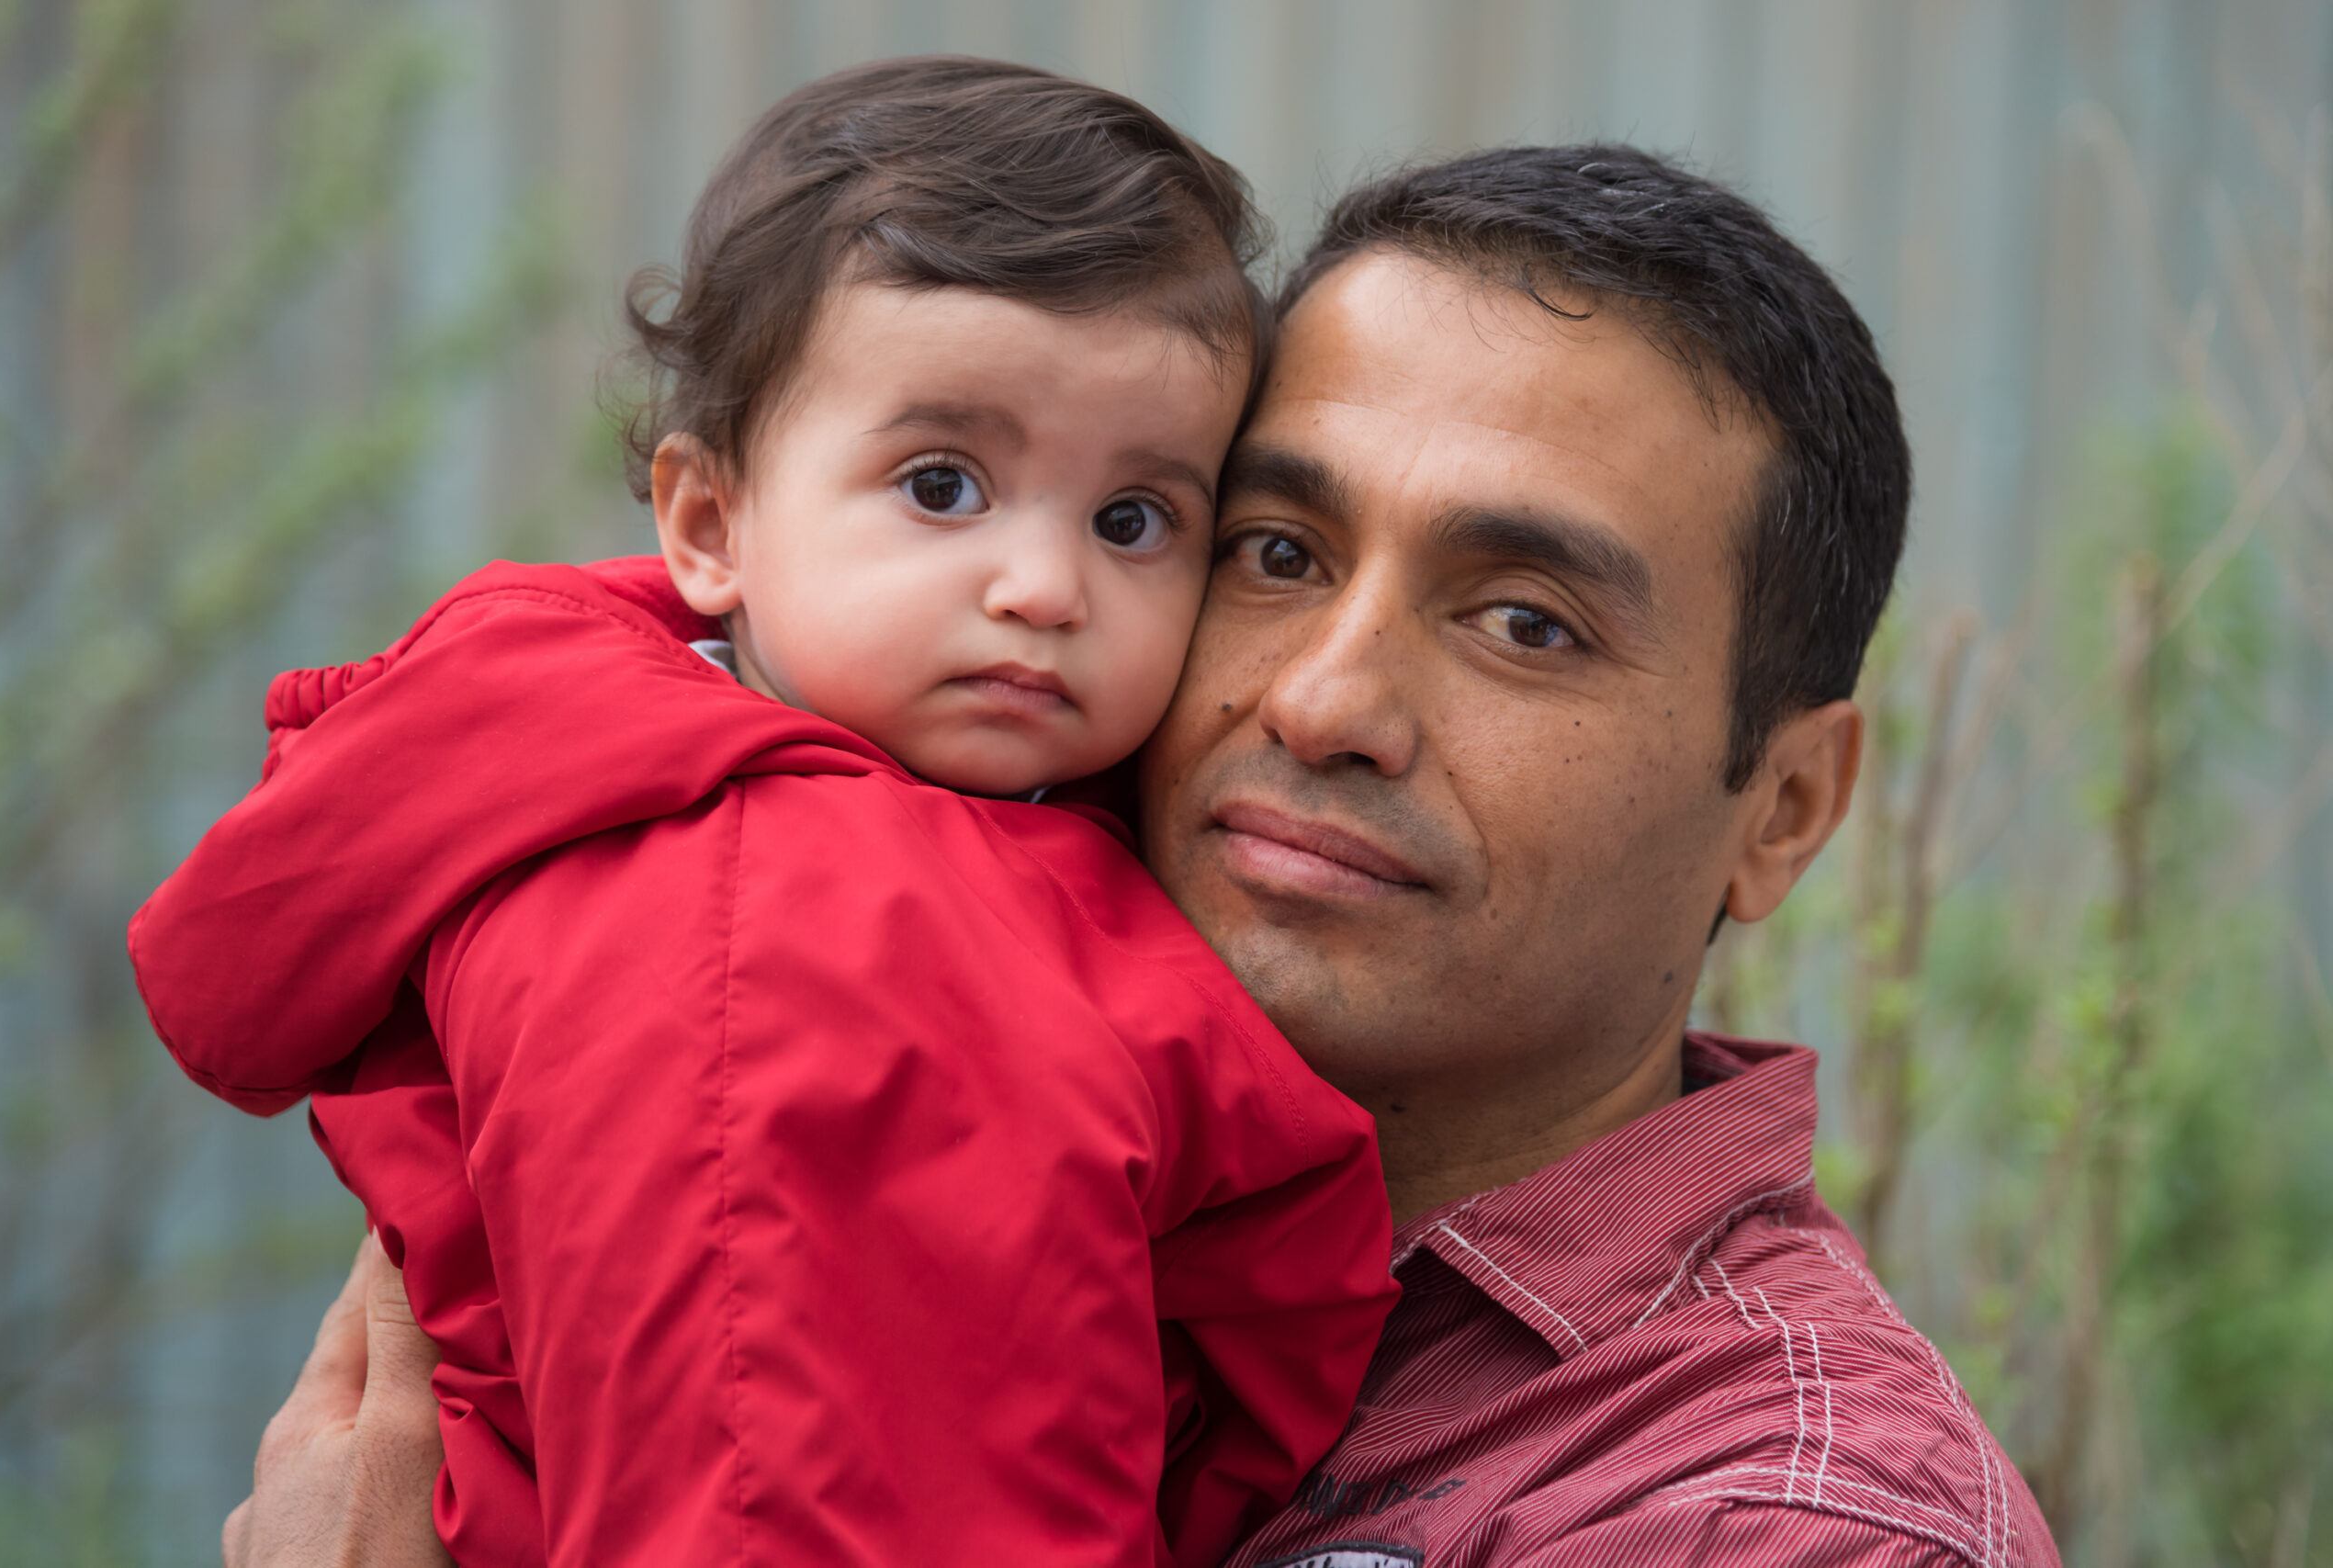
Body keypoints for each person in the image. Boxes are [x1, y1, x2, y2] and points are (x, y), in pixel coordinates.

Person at [218, 141, 2065, 1566]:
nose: (1327, 699)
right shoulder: (879, 1067)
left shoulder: (1771, 1510)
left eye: (1521, 621)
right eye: (1271, 551)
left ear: (1785, 807)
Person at [131, 58, 1401, 1568]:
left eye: (1135, 519)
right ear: (710, 525)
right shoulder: (804, 916)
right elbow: (787, 1496)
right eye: (943, 484)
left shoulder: (871, 824)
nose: (1046, 587)